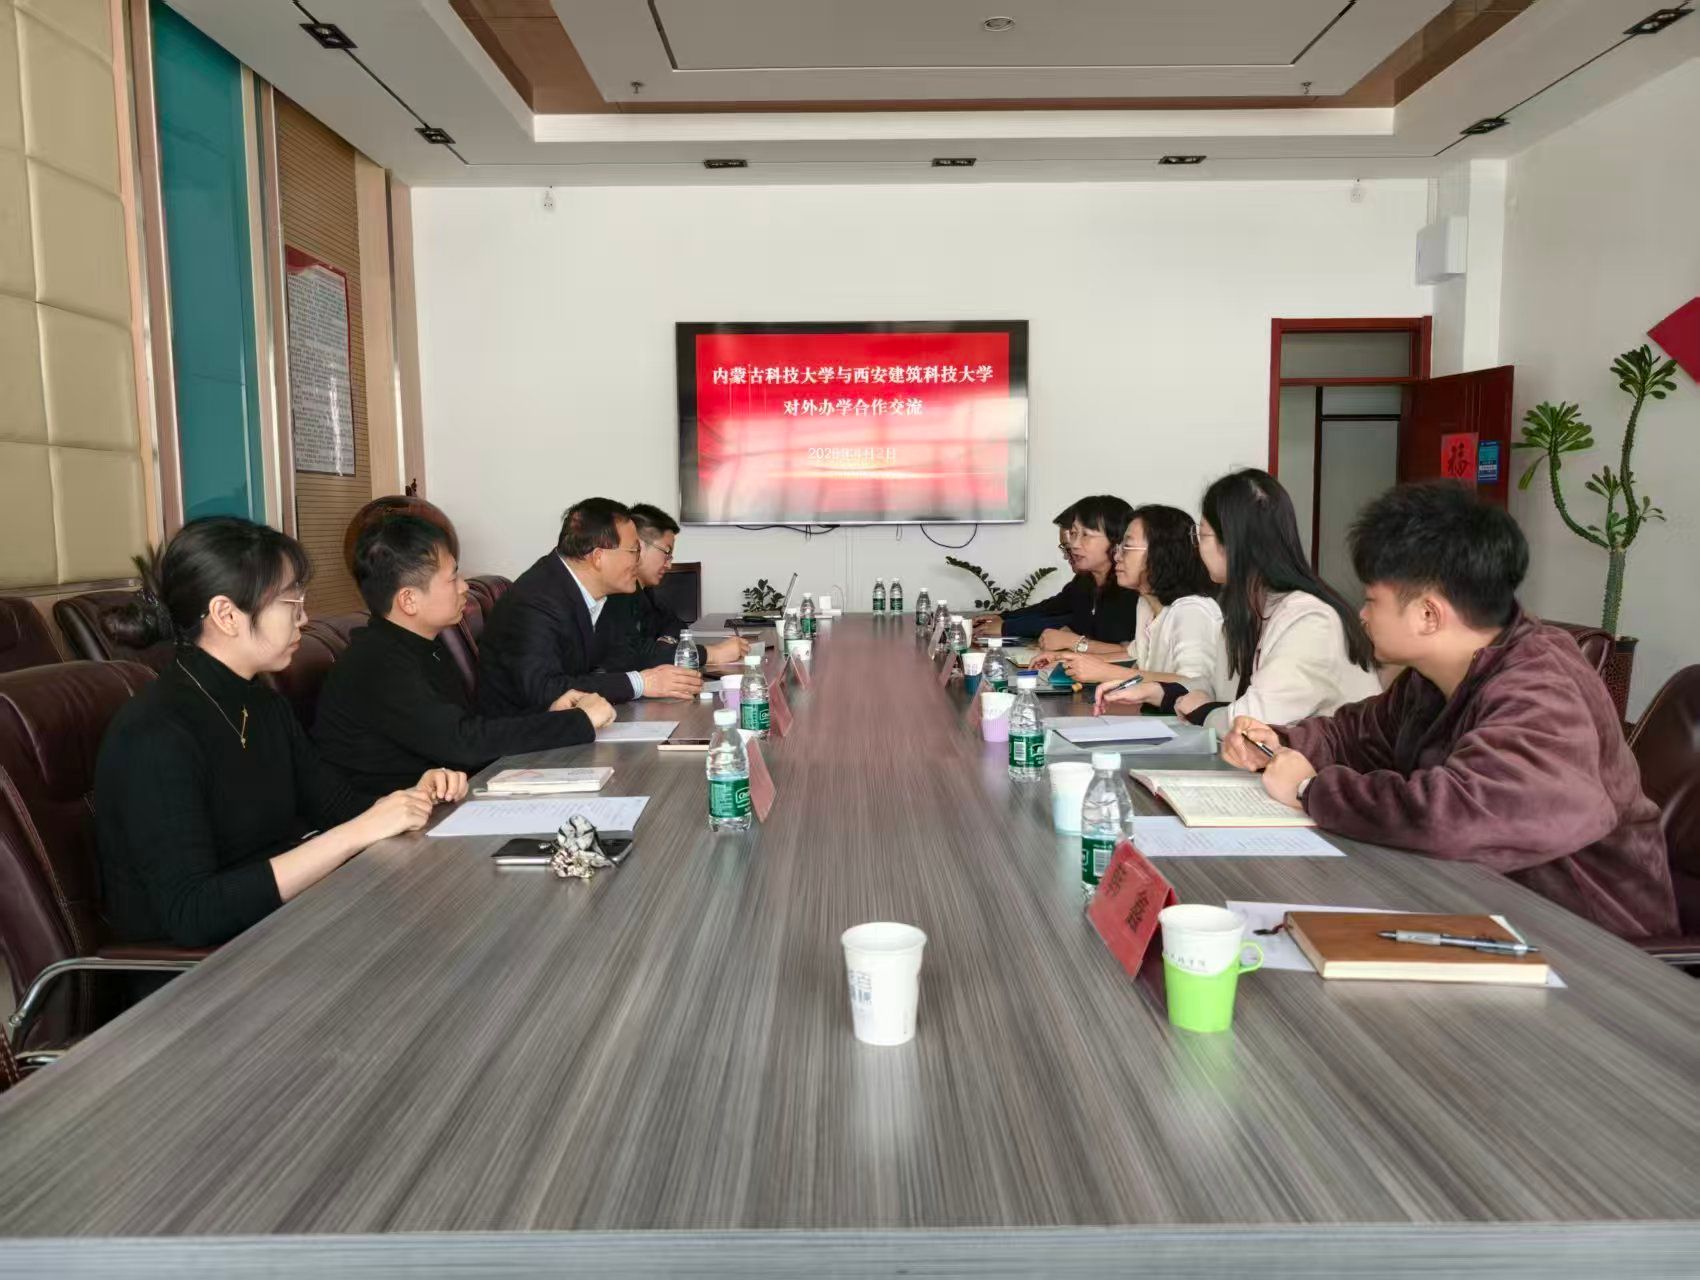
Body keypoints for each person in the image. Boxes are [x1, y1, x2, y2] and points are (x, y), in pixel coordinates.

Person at [1222, 482, 1675, 941]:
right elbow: (1358, 734)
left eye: (1372, 600)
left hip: (1589, 939)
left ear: (1429, 615)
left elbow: (1459, 817)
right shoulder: (1438, 673)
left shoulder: (1543, 688)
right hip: (1473, 904)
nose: (1362, 615)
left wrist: (1310, 789)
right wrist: (1280, 742)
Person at [94, 517, 466, 950]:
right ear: (226, 615)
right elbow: (194, 913)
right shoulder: (155, 733)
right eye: (291, 602)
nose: (304, 618)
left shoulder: (262, 704)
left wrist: (413, 796)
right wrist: (355, 833)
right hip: (206, 967)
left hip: (286, 925)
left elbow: (337, 807)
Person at [314, 515, 618, 795]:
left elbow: (473, 724)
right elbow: (464, 743)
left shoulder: (422, 644)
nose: (464, 588)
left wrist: (550, 713)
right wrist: (577, 722)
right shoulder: (377, 664)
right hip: (389, 820)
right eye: (452, 578)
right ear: (409, 600)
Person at [1100, 469, 1379, 727]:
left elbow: (1253, 720)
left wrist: (1202, 710)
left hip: (1327, 765)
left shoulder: (1310, 620)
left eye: (1202, 535)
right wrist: (1157, 692)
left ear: (1232, 543)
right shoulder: (1246, 609)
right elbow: (1217, 688)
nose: (1197, 547)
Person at [477, 497, 703, 715]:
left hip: (574, 722)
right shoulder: (537, 600)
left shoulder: (590, 594)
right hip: (523, 733)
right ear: (598, 557)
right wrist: (641, 683)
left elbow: (618, 658)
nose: (638, 561)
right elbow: (546, 689)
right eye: (634, 551)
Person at [1031, 504, 1224, 696]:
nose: (1117, 556)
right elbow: (1132, 655)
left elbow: (1196, 685)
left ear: (1162, 552)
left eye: (1127, 547)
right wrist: (1066, 658)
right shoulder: (1146, 604)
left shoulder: (1192, 611)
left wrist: (1106, 672)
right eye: (1119, 548)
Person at [975, 495, 1145, 649]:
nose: (1074, 545)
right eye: (1074, 534)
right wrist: (1003, 617)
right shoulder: (1085, 581)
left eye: (1086, 535)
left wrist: (1007, 626)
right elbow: (1051, 609)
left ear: (1117, 539)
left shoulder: (1131, 588)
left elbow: (1130, 654)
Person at [599, 503, 748, 670]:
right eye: (666, 553)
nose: (669, 565)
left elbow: (676, 625)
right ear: (638, 546)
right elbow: (635, 656)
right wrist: (712, 654)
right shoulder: (616, 592)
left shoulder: (645, 591)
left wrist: (665, 642)